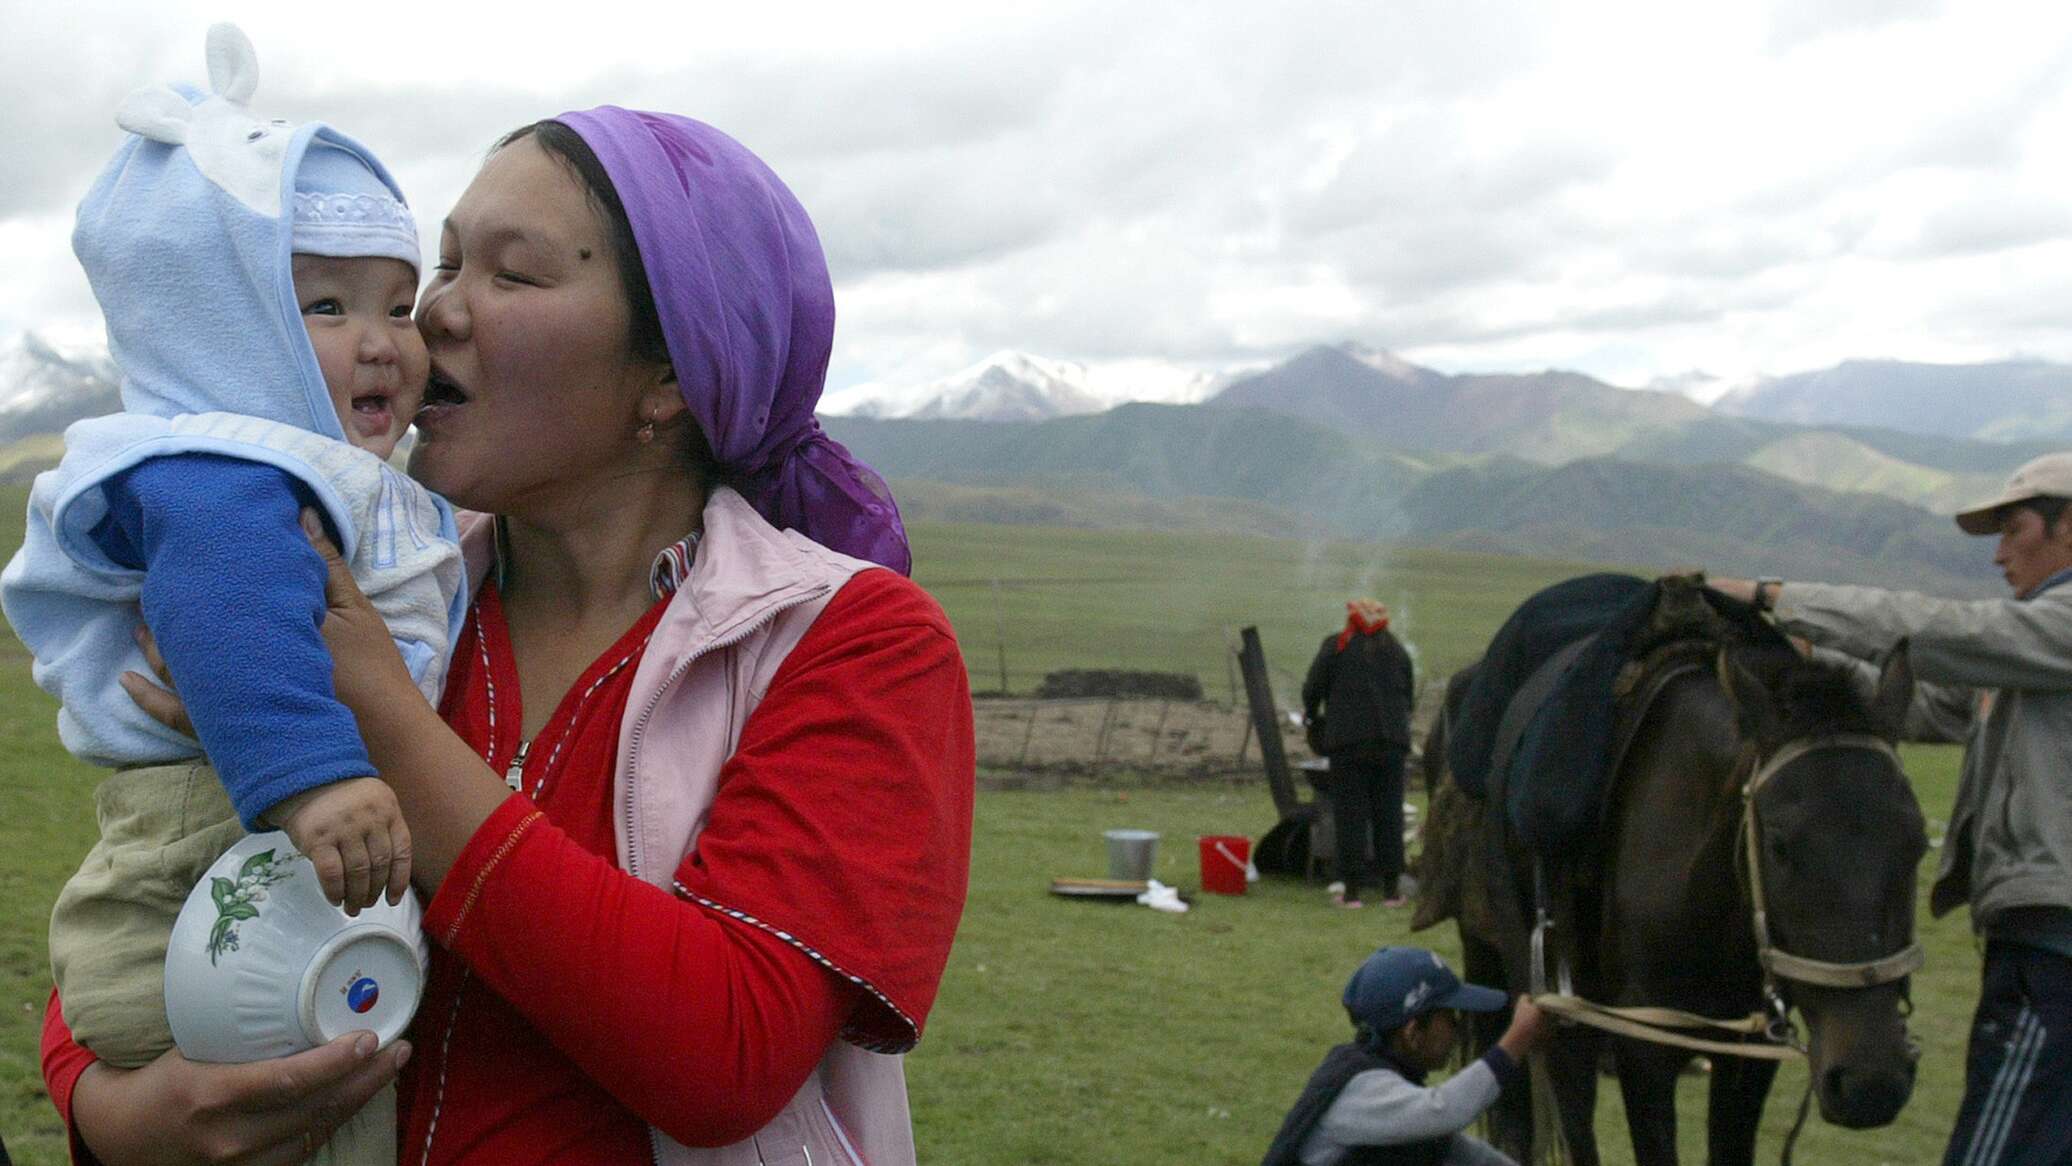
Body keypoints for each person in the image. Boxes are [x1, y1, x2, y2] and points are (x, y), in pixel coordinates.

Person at [40, 101, 975, 1165]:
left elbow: (728, 1051)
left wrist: (377, 716)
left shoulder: (853, 640)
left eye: (510, 274)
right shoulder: (370, 578)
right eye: (440, 264)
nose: (433, 313)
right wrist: (106, 1108)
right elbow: (168, 880)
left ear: (669, 374)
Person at [4, 26, 463, 1165]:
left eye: (396, 303)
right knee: (300, 1066)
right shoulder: (224, 469)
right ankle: (136, 996)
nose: (380, 343)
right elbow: (226, 617)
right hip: (229, 822)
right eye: (323, 307)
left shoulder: (301, 464)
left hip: (252, 819)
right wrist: (312, 777)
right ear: (221, 322)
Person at [1713, 449, 2072, 1166]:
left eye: (2015, 528)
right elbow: (1932, 702)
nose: (1999, 554)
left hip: (2056, 954)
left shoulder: (2047, 633)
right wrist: (1797, 652)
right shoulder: (2031, 659)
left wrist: (1777, 599)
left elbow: (1945, 632)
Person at [1261, 946, 1548, 1166]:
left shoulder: (1389, 1084)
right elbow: (1444, 1110)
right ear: (1412, 1032)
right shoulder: (1362, 1089)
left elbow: (1464, 1154)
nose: (1456, 1028)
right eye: (1448, 1017)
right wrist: (1517, 1040)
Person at [1303, 600, 1416, 908]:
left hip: (1348, 744)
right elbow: (1408, 695)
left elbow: (1312, 688)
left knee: (1350, 815)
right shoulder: (1396, 650)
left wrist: (1312, 715)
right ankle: (1391, 892)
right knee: (1389, 815)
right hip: (1391, 744)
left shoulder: (1335, 647)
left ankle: (1351, 893)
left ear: (1352, 622)